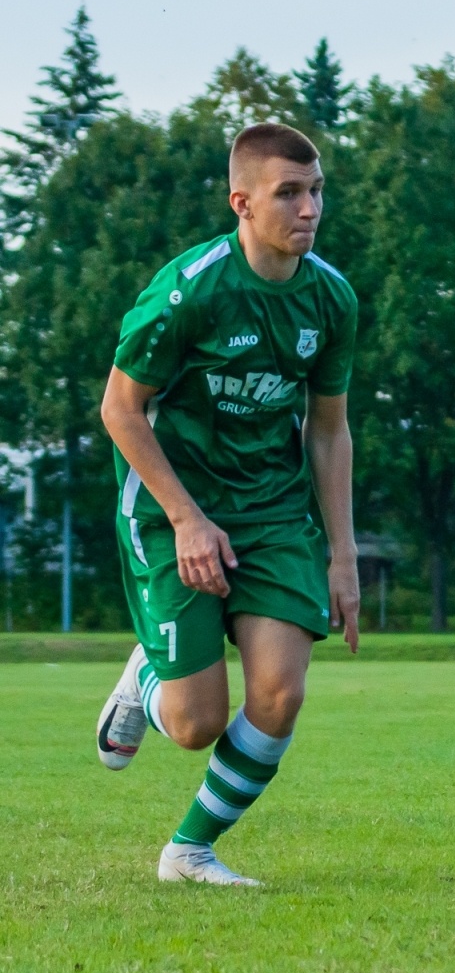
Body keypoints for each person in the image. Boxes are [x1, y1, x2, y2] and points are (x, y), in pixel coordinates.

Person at [93, 122, 360, 886]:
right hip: (171, 498)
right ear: (242, 202)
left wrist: (343, 557)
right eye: (289, 194)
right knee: (194, 724)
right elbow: (120, 411)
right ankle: (146, 677)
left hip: (272, 508)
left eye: (315, 192)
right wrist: (186, 519)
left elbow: (330, 432)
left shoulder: (331, 299)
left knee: (280, 693)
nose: (309, 209)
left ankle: (189, 852)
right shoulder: (190, 291)